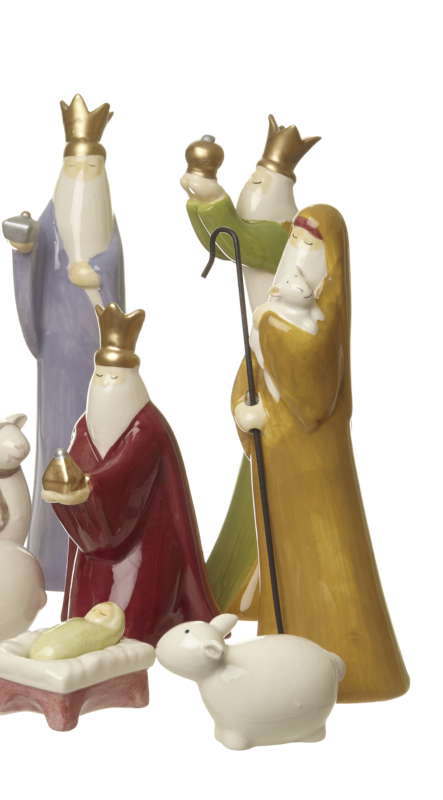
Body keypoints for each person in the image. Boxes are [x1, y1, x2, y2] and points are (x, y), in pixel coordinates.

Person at [232, 206, 409, 702]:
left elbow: (312, 399)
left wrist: (267, 325)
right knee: (281, 552)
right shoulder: (272, 312)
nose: (298, 255)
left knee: (327, 552)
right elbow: (250, 376)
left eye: (311, 247)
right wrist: (244, 411)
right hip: (277, 461)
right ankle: (283, 653)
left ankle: (355, 668)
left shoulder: (319, 323)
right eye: (296, 243)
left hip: (314, 467)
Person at [179, 116, 320, 619]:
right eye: (251, 180)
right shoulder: (269, 234)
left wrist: (210, 193)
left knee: (266, 461)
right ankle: (244, 579)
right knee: (255, 459)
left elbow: (233, 237)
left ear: (278, 190)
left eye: (258, 181)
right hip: (261, 358)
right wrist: (200, 201)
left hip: (281, 364)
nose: (250, 188)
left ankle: (264, 583)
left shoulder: (284, 239)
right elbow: (223, 242)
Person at [42, 304, 218, 646]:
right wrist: (64, 486)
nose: (106, 385)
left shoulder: (148, 429)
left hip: (142, 544)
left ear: (132, 381)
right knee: (85, 629)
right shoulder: (85, 425)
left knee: (128, 632)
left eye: (115, 378)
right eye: (100, 376)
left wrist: (88, 487)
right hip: (94, 550)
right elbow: (77, 463)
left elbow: (125, 474)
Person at [7, 95, 124, 590]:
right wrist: (23, 248)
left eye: (91, 167)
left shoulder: (109, 229)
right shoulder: (50, 223)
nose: (82, 175)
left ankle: (100, 549)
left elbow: (114, 276)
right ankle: (54, 555)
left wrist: (97, 275)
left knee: (99, 440)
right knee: (59, 439)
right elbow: (30, 256)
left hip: (98, 355)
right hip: (57, 349)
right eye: (74, 166)